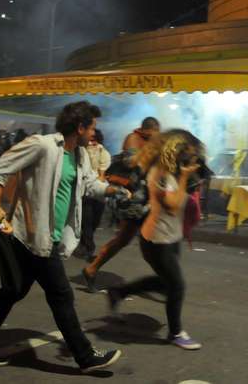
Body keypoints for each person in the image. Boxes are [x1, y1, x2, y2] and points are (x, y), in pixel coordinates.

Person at [0, 101, 127, 374]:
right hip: (32, 235)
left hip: (48, 236)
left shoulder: (79, 155)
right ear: (80, 127)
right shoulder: (42, 145)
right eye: (92, 128)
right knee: (61, 295)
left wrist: (114, 191)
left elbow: (90, 184)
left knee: (12, 291)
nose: (94, 134)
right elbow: (0, 168)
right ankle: (85, 356)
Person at [107, 130, 205, 350]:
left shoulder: (173, 171)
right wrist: (185, 178)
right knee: (177, 286)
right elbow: (172, 204)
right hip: (156, 240)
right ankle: (175, 333)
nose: (191, 158)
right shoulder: (160, 173)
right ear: (175, 151)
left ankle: (118, 292)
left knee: (166, 283)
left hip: (171, 238)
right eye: (188, 153)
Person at [82, 117, 161, 291]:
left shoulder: (151, 142)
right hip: (132, 196)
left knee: (130, 239)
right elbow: (131, 162)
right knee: (127, 238)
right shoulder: (133, 138)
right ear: (146, 130)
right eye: (153, 133)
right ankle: (91, 268)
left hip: (144, 196)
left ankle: (91, 269)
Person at [75, 129, 111, 259]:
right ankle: (89, 248)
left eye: (94, 141)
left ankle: (84, 244)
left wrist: (96, 185)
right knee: (87, 220)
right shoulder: (81, 152)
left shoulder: (104, 153)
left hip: (99, 191)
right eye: (90, 140)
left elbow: (102, 174)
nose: (92, 143)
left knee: (95, 221)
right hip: (85, 192)